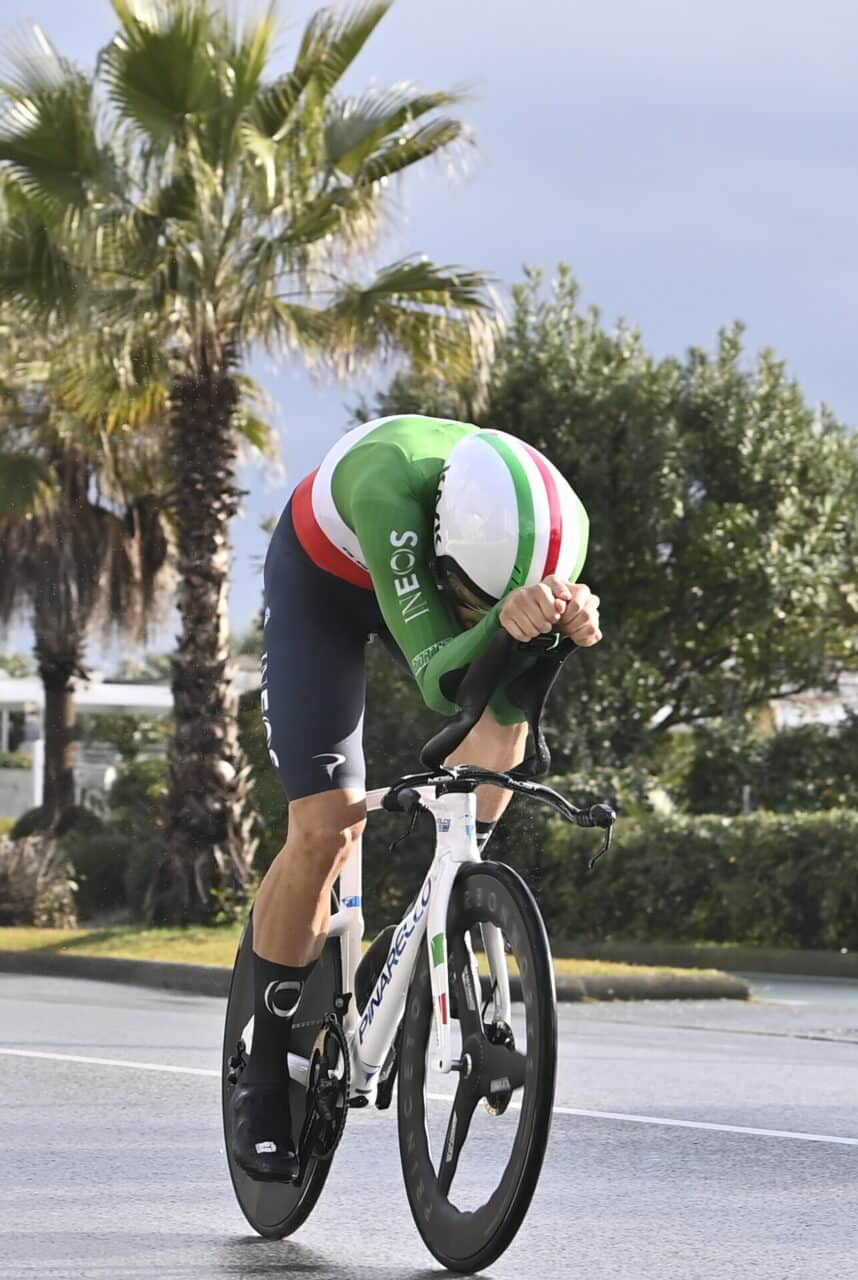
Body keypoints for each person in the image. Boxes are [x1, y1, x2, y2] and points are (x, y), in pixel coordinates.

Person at [230, 413, 602, 1182]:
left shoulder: (563, 524)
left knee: (503, 730)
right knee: (328, 828)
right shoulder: (387, 482)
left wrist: (562, 628)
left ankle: (444, 901)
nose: (475, 608)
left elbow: (506, 701)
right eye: (468, 595)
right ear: (444, 547)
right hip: (323, 589)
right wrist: (500, 619)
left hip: (454, 575)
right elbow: (440, 675)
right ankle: (262, 1072)